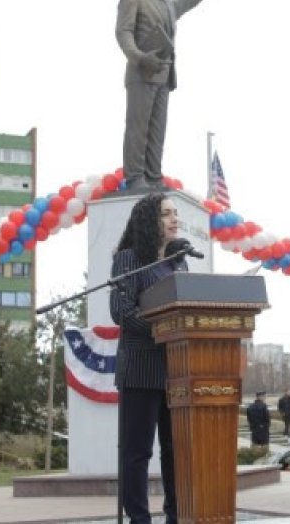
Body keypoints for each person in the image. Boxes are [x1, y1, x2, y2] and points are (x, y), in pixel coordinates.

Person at [115, 0, 219, 191]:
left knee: (157, 131)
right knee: (138, 129)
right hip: (142, 72)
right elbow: (123, 32)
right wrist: (139, 56)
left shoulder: (168, 5)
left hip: (164, 75)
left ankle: (153, 176)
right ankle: (135, 177)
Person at [109, 193, 183, 524]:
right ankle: (139, 519)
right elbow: (121, 312)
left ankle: (176, 515)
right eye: (166, 213)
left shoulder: (177, 262)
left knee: (174, 450)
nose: (174, 219)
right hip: (140, 367)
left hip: (177, 369)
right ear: (148, 220)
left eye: (175, 213)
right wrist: (165, 329)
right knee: (137, 453)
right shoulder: (130, 259)